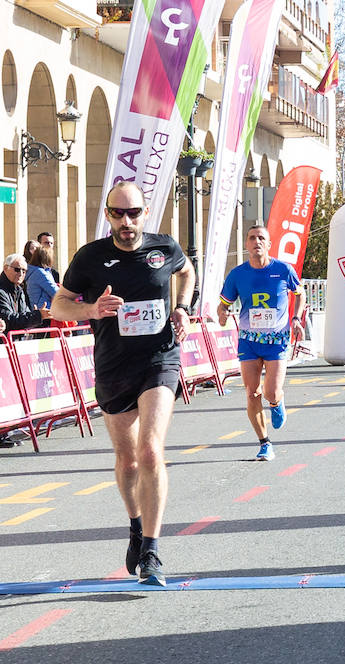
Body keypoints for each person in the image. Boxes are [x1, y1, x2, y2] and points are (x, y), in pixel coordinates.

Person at [49, 180, 196, 586]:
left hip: (159, 358)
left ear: (145, 213)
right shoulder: (91, 258)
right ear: (108, 215)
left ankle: (151, 548)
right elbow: (59, 305)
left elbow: (187, 271)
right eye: (118, 214)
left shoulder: (163, 247)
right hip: (114, 365)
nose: (126, 222)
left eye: (134, 214)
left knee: (151, 450)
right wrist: (92, 308)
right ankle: (135, 524)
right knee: (128, 460)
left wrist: (182, 308)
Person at [217, 224, 303, 461]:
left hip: (276, 341)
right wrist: (222, 313)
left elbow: (300, 293)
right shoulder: (237, 274)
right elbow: (223, 304)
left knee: (271, 392)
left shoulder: (283, 269)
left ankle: (277, 402)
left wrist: (295, 317)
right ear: (246, 245)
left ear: (269, 244)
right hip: (249, 340)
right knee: (252, 393)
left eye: (261, 238)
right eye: (252, 238)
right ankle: (265, 443)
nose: (256, 242)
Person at [0, 254, 45, 332]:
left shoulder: (19, 290)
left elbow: (24, 314)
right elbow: (9, 319)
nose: (21, 274)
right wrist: (36, 316)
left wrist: (34, 315)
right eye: (17, 270)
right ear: (5, 268)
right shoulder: (1, 291)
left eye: (24, 271)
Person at [24, 246, 60, 323]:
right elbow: (55, 292)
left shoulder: (32, 271)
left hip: (36, 310)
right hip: (46, 312)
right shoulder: (41, 273)